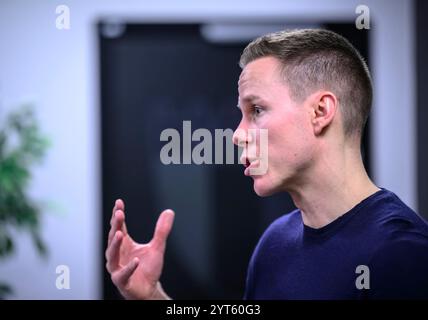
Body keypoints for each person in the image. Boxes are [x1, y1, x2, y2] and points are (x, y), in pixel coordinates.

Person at [105, 29, 428, 300]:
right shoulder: (276, 243)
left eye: (256, 110)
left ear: (320, 112)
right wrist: (151, 296)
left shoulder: (402, 255)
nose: (237, 135)